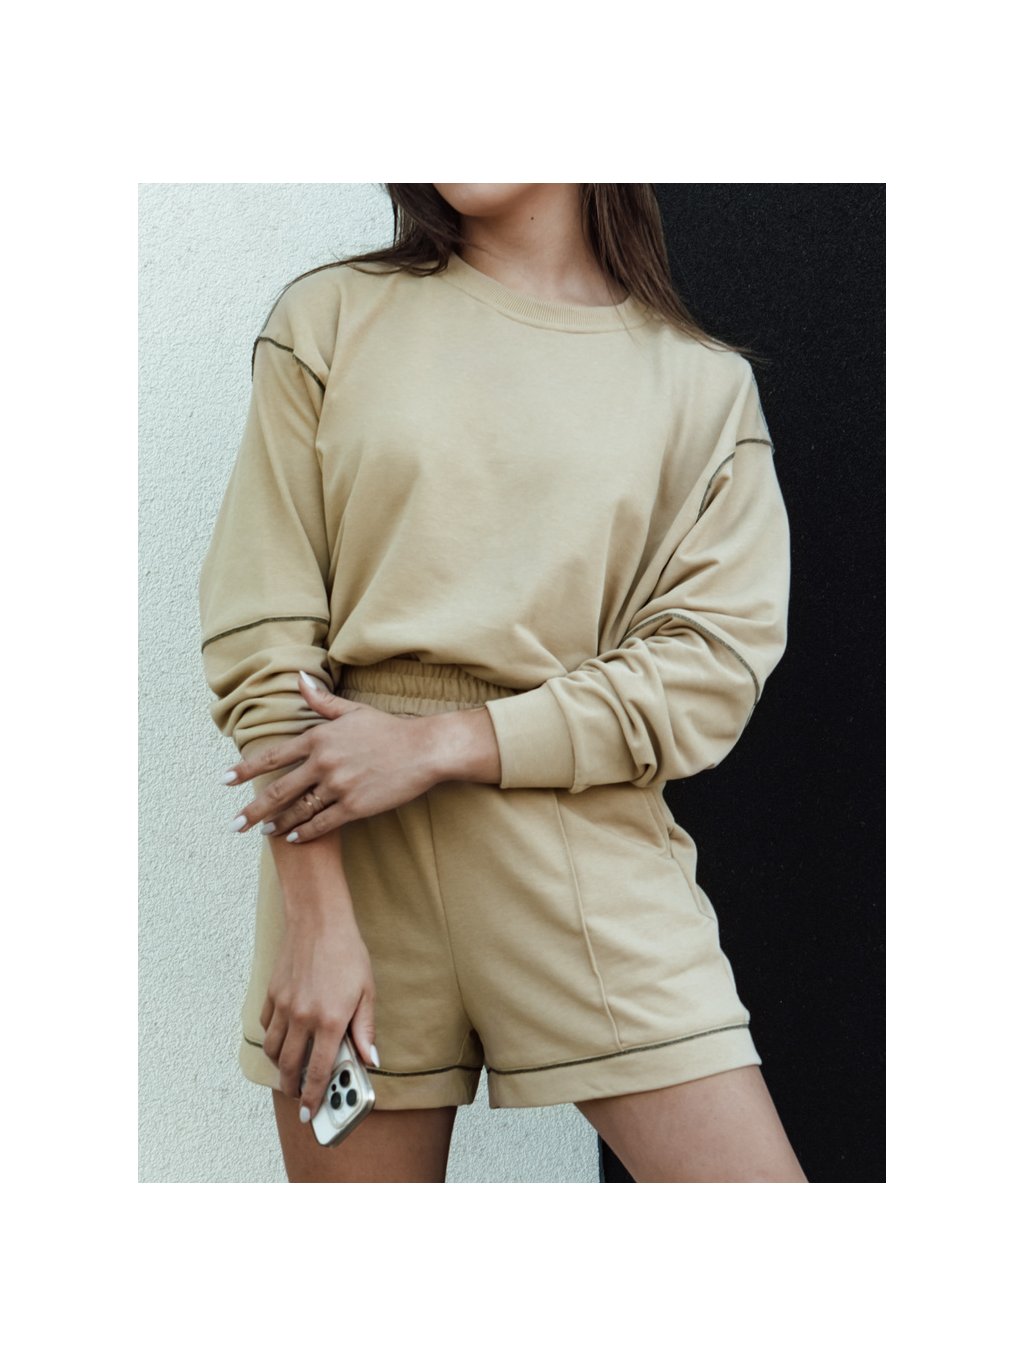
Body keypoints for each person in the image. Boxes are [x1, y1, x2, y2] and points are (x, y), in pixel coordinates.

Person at [198, 183, 808, 1183]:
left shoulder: (700, 385)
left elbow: (709, 664)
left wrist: (440, 743)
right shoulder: (330, 318)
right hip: (351, 864)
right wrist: (315, 917)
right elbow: (263, 626)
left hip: (585, 850)